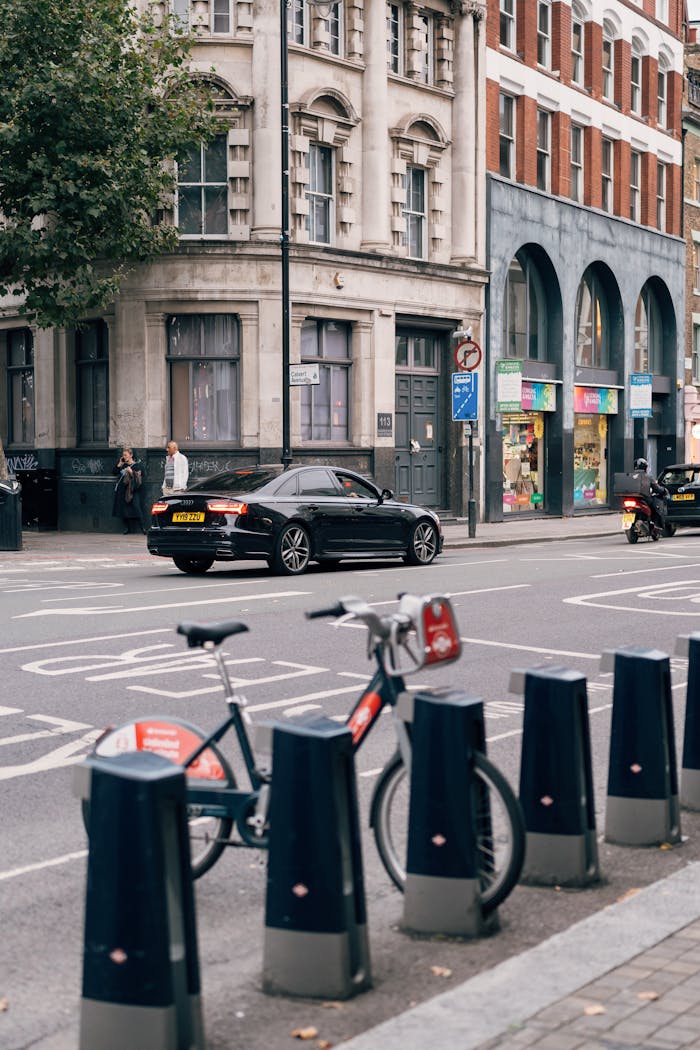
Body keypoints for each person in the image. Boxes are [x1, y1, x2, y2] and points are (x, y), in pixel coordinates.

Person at [112, 447, 148, 534]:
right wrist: (119, 464)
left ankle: (143, 527)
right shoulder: (123, 465)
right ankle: (127, 528)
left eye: (126, 455)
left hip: (133, 490)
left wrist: (131, 472)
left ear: (131, 455)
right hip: (122, 490)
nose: (124, 457)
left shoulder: (137, 465)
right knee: (123, 508)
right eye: (123, 455)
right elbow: (114, 472)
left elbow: (139, 478)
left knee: (136, 507)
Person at [634, 457, 669, 533]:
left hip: (632, 498)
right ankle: (656, 524)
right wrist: (663, 490)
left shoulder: (631, 476)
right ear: (645, 467)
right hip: (644, 498)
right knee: (655, 507)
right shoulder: (648, 477)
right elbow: (656, 488)